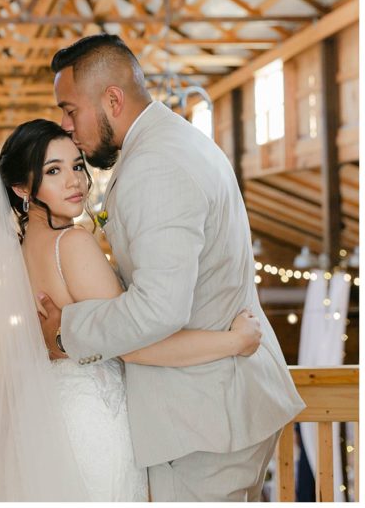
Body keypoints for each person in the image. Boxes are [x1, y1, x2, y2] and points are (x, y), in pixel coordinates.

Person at [42, 34, 304, 501]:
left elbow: (161, 308)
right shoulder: (174, 142)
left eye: (69, 109)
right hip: (217, 406)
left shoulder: (156, 165)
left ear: (113, 99)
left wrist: (69, 331)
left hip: (203, 419)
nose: (66, 126)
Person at [0, 120, 264, 501]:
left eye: (76, 165)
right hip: (91, 421)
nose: (74, 181)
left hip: (48, 416)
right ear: (21, 188)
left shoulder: (21, 253)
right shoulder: (71, 243)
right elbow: (138, 346)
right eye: (53, 170)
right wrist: (235, 341)